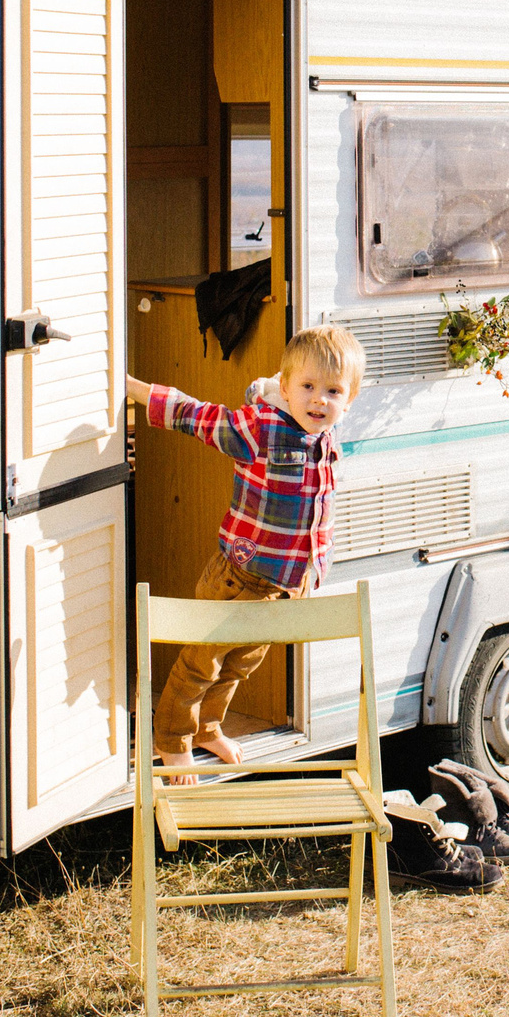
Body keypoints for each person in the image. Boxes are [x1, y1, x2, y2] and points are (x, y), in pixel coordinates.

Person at [124, 324, 364, 770]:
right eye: (307, 387)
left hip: (285, 585)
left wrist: (316, 568)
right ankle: (171, 738)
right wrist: (134, 388)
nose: (319, 400)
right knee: (203, 663)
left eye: (332, 391)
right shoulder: (261, 428)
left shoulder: (326, 436)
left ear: (348, 400)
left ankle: (208, 727)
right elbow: (196, 416)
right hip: (239, 578)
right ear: (285, 386)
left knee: (239, 665)